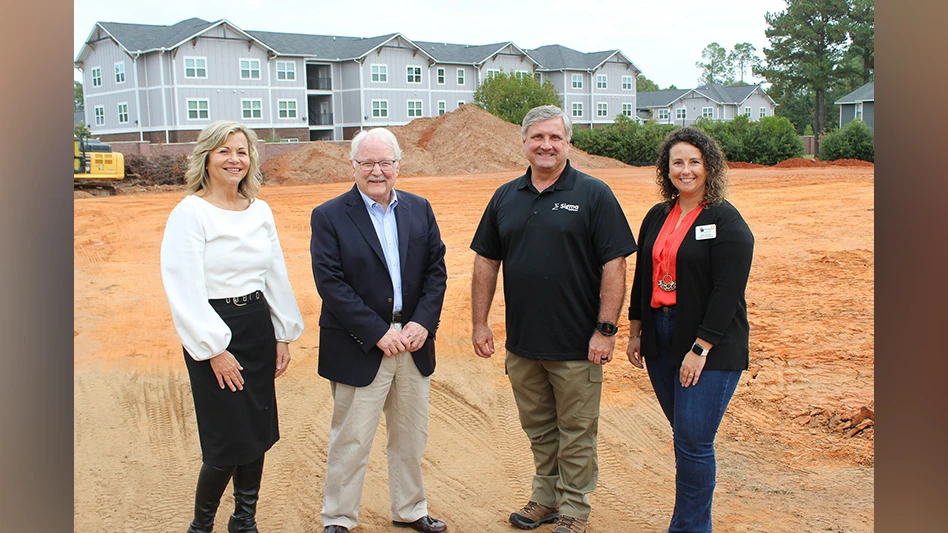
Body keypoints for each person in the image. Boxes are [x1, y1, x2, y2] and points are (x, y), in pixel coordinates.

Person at [470, 105, 637, 533]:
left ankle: (574, 509)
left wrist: (605, 330)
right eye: (538, 137)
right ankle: (544, 498)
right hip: (524, 344)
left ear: (568, 143)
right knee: (540, 429)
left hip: (578, 344)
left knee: (577, 432)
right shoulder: (506, 197)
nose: (546, 145)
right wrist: (479, 322)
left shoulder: (594, 193)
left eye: (555, 138)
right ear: (523, 142)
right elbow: (486, 261)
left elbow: (614, 264)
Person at [160, 120, 304, 533]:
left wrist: (282, 333)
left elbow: (274, 273)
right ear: (206, 157)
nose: (234, 159)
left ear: (251, 159)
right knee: (226, 440)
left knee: (256, 430)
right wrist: (213, 349)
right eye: (224, 150)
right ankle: (200, 527)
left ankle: (244, 521)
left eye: (241, 151)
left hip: (257, 325)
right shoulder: (189, 213)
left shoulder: (260, 210)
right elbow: (183, 287)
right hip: (213, 330)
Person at [309, 127, 448, 533]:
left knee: (410, 436)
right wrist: (375, 332)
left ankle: (410, 509)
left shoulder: (419, 209)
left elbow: (436, 271)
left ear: (397, 166)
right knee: (351, 438)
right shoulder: (329, 215)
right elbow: (330, 282)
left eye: (385, 162)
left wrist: (422, 322)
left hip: (412, 340)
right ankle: (338, 517)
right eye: (367, 163)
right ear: (352, 166)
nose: (377, 171)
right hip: (361, 344)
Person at [625, 127, 754, 533]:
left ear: (708, 167)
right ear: (666, 168)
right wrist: (635, 330)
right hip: (661, 336)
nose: (685, 170)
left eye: (694, 162)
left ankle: (691, 528)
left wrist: (700, 348)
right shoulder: (657, 215)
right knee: (684, 438)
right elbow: (643, 275)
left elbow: (727, 291)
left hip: (708, 342)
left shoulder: (725, 219)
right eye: (677, 162)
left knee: (695, 443)